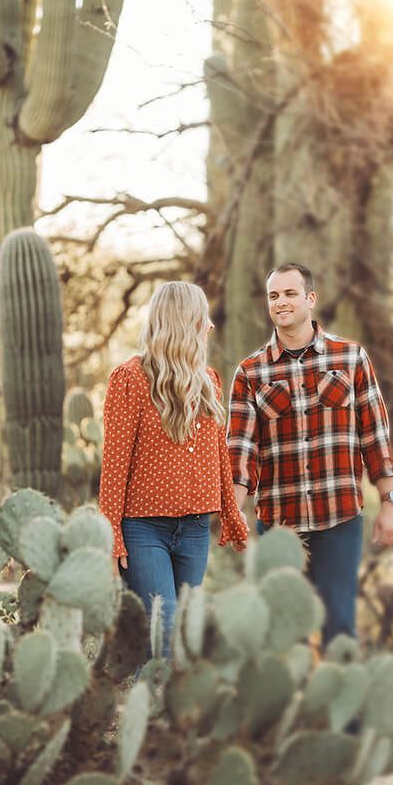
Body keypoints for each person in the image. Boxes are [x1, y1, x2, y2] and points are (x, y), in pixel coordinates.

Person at [227, 263, 393, 652]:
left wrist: (390, 504)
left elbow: (376, 437)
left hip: (338, 519)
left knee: (339, 626)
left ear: (310, 299)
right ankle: (293, 713)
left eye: (290, 294)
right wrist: (233, 510)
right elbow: (240, 453)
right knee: (283, 635)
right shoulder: (250, 373)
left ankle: (344, 715)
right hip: (279, 527)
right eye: (273, 296)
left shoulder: (351, 358)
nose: (281, 302)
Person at [100, 282, 249, 657]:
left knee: (180, 635)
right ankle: (150, 713)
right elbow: (115, 464)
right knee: (162, 633)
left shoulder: (209, 379)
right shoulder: (129, 378)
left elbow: (218, 455)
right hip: (144, 529)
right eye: (204, 317)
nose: (210, 326)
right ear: (185, 321)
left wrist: (231, 513)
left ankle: (159, 711)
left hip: (196, 530)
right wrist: (111, 535)